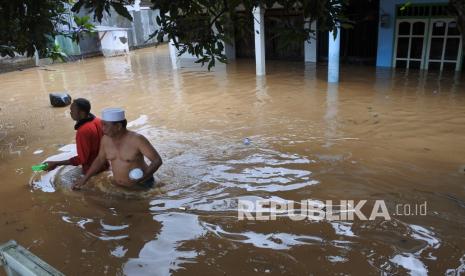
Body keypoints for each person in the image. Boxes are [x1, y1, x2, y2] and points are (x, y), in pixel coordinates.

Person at [72, 108, 162, 190]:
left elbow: (157, 160)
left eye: (105, 125)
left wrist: (142, 179)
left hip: (142, 184)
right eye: (102, 125)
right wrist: (84, 179)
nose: (102, 128)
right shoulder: (105, 140)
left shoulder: (137, 140)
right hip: (119, 186)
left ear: (118, 126)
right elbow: (100, 160)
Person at [46, 98, 108, 174]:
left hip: (91, 171)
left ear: (81, 113)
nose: (70, 113)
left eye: (72, 111)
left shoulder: (82, 131)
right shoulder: (99, 121)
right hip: (105, 165)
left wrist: (56, 163)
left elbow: (82, 159)